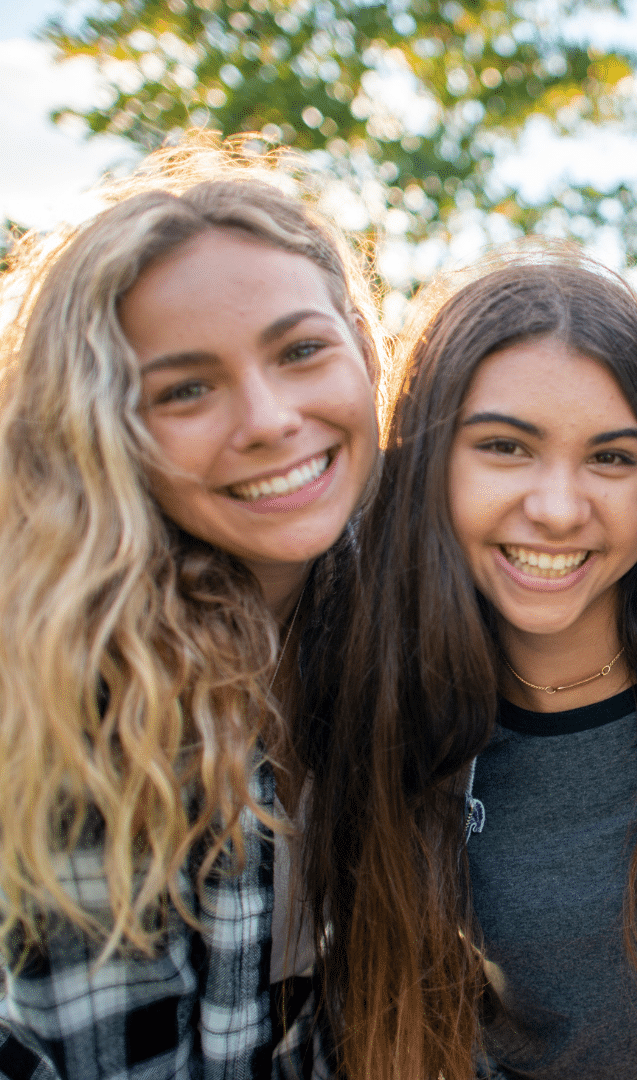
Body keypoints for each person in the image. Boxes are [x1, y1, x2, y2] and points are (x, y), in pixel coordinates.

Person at [300, 249, 637, 1080]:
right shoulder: (381, 699)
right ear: (428, 461)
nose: (558, 509)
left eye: (610, 457)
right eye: (505, 447)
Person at [0, 145, 383, 1080]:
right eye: (186, 390)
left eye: (301, 351)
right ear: (104, 434)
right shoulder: (91, 696)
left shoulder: (383, 604)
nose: (267, 418)